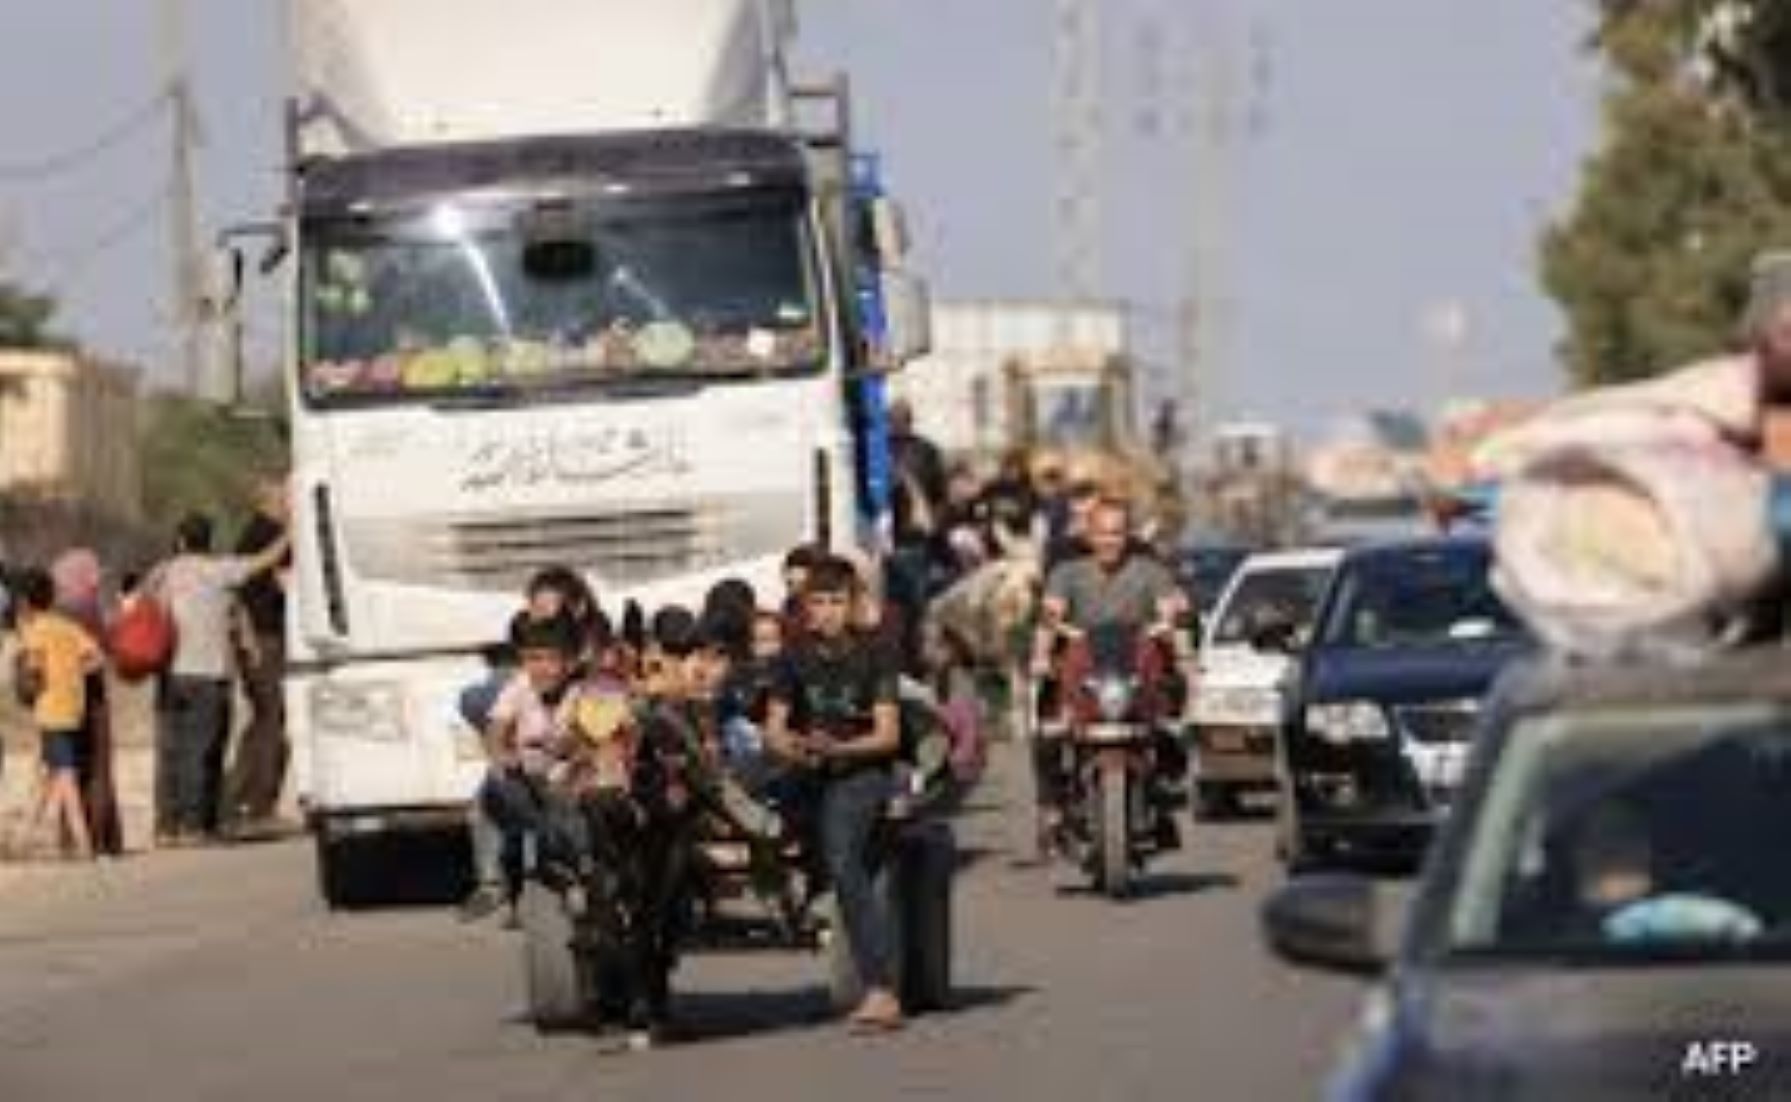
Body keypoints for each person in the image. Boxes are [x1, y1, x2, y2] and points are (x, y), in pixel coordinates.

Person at [765, 555, 906, 1033]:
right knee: (754, 821)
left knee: (845, 859)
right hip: (806, 768)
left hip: (861, 771)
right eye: (818, 602)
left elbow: (887, 735)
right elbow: (774, 728)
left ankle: (881, 989)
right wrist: (794, 746)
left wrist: (840, 747)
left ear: (853, 605)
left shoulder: (877, 653)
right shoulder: (791, 657)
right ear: (804, 608)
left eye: (836, 601)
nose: (826, 611)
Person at [1030, 498, 1191, 852]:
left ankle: (1162, 798)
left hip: (1136, 677)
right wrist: (1041, 655)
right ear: (1089, 535)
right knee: (1046, 731)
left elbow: (1173, 615)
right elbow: (1049, 617)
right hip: (1084, 678)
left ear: (1128, 535)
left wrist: (1184, 655)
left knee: (1172, 725)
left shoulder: (1150, 571)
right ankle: (1054, 807)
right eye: (1102, 533)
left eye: (1117, 533)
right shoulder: (1067, 573)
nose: (1110, 541)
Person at [154, 513, 292, 845]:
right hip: (210, 675)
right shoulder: (219, 572)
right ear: (209, 541)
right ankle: (196, 825)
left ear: (181, 540)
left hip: (171, 674)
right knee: (204, 752)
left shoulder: (163, 573)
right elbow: (265, 560)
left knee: (174, 751)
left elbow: (141, 608)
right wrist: (292, 530)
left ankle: (168, 826)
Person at [13, 568, 101, 860]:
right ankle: (22, 839)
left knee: (65, 778)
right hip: (73, 709)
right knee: (43, 774)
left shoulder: (36, 631)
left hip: (51, 712)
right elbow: (96, 658)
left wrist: (26, 679)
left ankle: (83, 842)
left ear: (25, 601)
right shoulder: (67, 626)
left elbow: (35, 671)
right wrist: (74, 673)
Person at [226, 476, 294, 836]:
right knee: (272, 719)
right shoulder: (268, 534)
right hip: (264, 639)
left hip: (258, 639)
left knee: (264, 718)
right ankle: (259, 806)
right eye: (284, 497)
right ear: (268, 501)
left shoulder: (255, 533)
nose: (290, 502)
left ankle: (238, 799)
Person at [50, 547, 122, 856]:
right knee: (98, 767)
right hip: (92, 701)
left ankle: (70, 840)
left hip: (59, 702)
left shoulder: (53, 611)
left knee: (69, 768)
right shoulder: (89, 609)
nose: (96, 579)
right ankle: (100, 837)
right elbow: (108, 649)